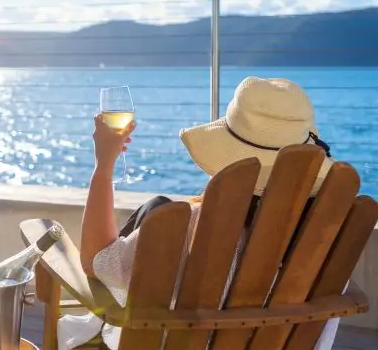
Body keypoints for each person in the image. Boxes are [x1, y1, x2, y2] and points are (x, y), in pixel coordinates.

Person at [58, 77, 340, 350]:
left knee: (157, 213)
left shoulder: (197, 226)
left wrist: (104, 164)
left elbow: (96, 261)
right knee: (156, 207)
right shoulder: (324, 235)